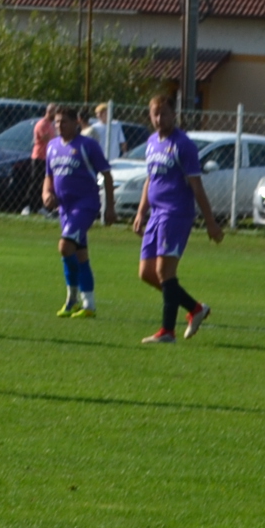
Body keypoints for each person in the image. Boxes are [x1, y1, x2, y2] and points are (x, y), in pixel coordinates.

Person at [132, 95, 221, 344]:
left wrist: (211, 222)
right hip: (156, 214)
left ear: (174, 114)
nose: (160, 119)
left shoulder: (183, 145)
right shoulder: (151, 142)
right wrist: (141, 211)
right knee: (147, 273)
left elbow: (196, 186)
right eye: (155, 114)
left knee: (164, 271)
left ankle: (167, 332)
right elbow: (150, 178)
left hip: (176, 213)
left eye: (164, 113)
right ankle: (195, 308)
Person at [41, 105, 117, 318]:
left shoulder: (87, 145)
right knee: (80, 255)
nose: (59, 126)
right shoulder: (53, 146)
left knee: (65, 246)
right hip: (65, 208)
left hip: (85, 206)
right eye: (56, 122)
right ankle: (89, 305)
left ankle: (71, 299)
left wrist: (110, 207)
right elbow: (48, 176)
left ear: (76, 123)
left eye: (64, 121)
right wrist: (47, 193)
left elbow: (107, 175)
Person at [28, 104, 58, 211]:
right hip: (39, 157)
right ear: (49, 111)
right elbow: (48, 140)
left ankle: (44, 206)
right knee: (37, 181)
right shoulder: (42, 124)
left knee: (47, 183)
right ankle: (31, 206)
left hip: (48, 158)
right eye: (54, 112)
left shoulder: (51, 125)